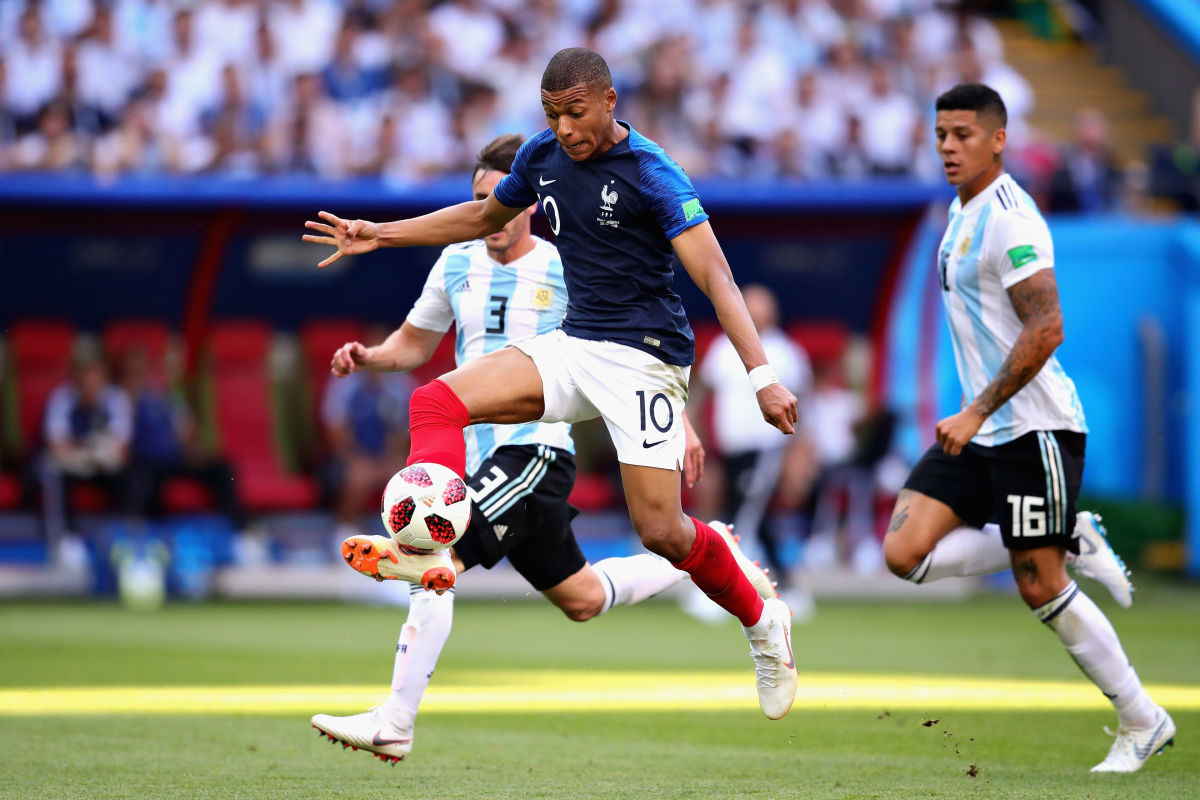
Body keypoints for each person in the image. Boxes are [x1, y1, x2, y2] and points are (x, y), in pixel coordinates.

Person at [304, 48, 799, 721]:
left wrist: (761, 376)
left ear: (609, 101)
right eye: (552, 114)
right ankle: (426, 540)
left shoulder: (653, 173)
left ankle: (764, 623)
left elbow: (716, 278)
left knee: (662, 530)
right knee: (436, 399)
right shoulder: (539, 157)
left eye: (575, 113)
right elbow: (479, 218)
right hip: (575, 345)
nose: (564, 129)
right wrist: (378, 233)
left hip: (646, 359)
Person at [882, 83, 1173, 773]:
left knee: (1039, 585)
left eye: (963, 135)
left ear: (998, 139)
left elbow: (1048, 326)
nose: (948, 146)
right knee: (905, 553)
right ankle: (1066, 531)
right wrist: (978, 415)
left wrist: (978, 407)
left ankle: (1142, 718)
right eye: (941, 134)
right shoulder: (959, 214)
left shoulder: (1010, 219)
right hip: (983, 427)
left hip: (1032, 427)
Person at [695, 284, 814, 614]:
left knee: (742, 519)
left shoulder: (786, 351)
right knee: (753, 518)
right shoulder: (722, 347)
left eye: (762, 308)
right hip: (730, 448)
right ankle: (788, 586)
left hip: (767, 447)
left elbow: (804, 405)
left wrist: (799, 455)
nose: (757, 314)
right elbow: (704, 396)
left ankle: (724, 592)